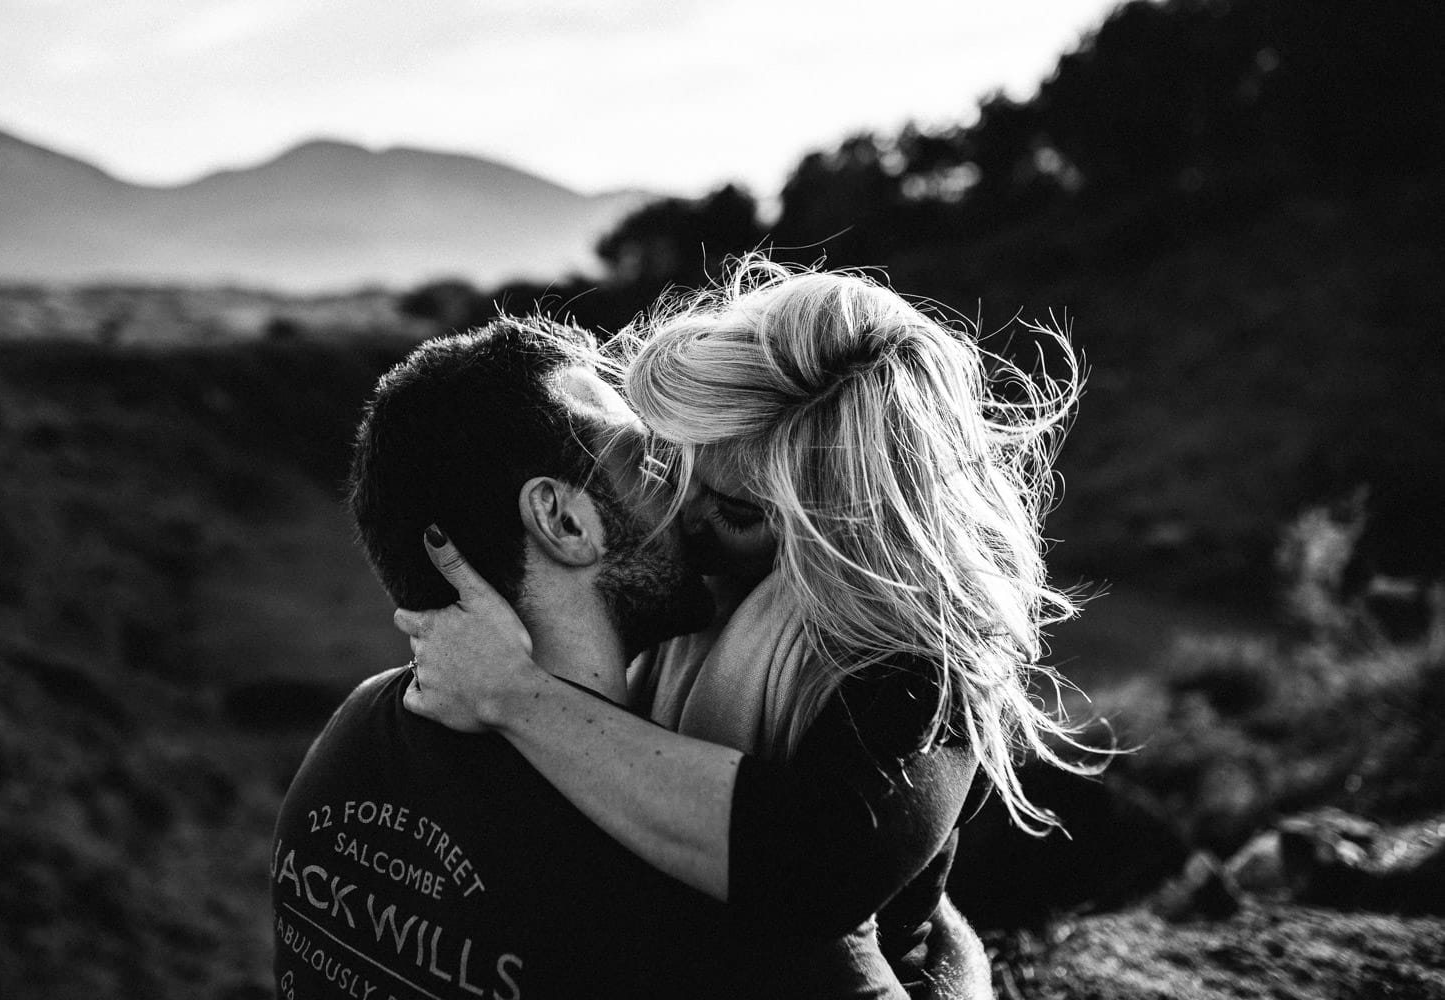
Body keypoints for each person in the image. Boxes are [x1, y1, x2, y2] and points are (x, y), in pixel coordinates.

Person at [399, 259, 1099, 999]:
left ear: (858, 534)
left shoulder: (920, 668)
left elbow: (815, 870)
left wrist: (517, 698)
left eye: (738, 513)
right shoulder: (674, 597)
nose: (681, 527)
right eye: (674, 468)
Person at [272, 316, 759, 1000]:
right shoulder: (658, 867)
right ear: (564, 522)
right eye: (648, 459)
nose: (690, 486)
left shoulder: (354, 731)